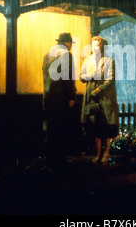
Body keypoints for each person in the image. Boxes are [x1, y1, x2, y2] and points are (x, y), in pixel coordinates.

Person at [80, 36, 119, 163]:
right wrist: (89, 76)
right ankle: (98, 154)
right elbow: (81, 76)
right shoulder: (88, 60)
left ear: (102, 47)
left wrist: (99, 89)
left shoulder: (109, 61)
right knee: (95, 125)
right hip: (91, 95)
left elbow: (110, 79)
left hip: (105, 96)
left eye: (96, 45)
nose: (94, 48)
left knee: (106, 126)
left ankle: (106, 153)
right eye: (92, 45)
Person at [42, 32, 77, 166]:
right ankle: (60, 158)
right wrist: (71, 96)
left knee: (50, 126)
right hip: (60, 97)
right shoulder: (66, 55)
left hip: (48, 96)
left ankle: (50, 155)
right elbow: (68, 77)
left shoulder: (48, 54)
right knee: (61, 127)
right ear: (67, 43)